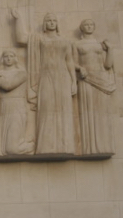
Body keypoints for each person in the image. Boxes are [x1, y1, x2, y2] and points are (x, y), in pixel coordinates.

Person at [13, 11, 77, 154]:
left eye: (54, 20)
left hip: (63, 78)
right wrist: (18, 19)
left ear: (57, 23)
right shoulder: (39, 39)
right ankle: (46, 147)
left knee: (63, 111)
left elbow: (70, 61)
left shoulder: (65, 42)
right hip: (46, 78)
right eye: (48, 20)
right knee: (46, 111)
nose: (51, 22)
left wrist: (74, 82)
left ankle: (65, 146)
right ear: (44, 24)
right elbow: (21, 38)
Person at [73, 19, 116, 156]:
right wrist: (80, 68)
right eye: (86, 24)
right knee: (88, 112)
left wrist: (110, 49)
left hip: (101, 78)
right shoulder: (77, 44)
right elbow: (71, 62)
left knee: (102, 113)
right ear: (81, 28)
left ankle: (104, 146)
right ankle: (90, 148)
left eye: (91, 24)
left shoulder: (100, 45)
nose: (89, 26)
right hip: (86, 79)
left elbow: (108, 65)